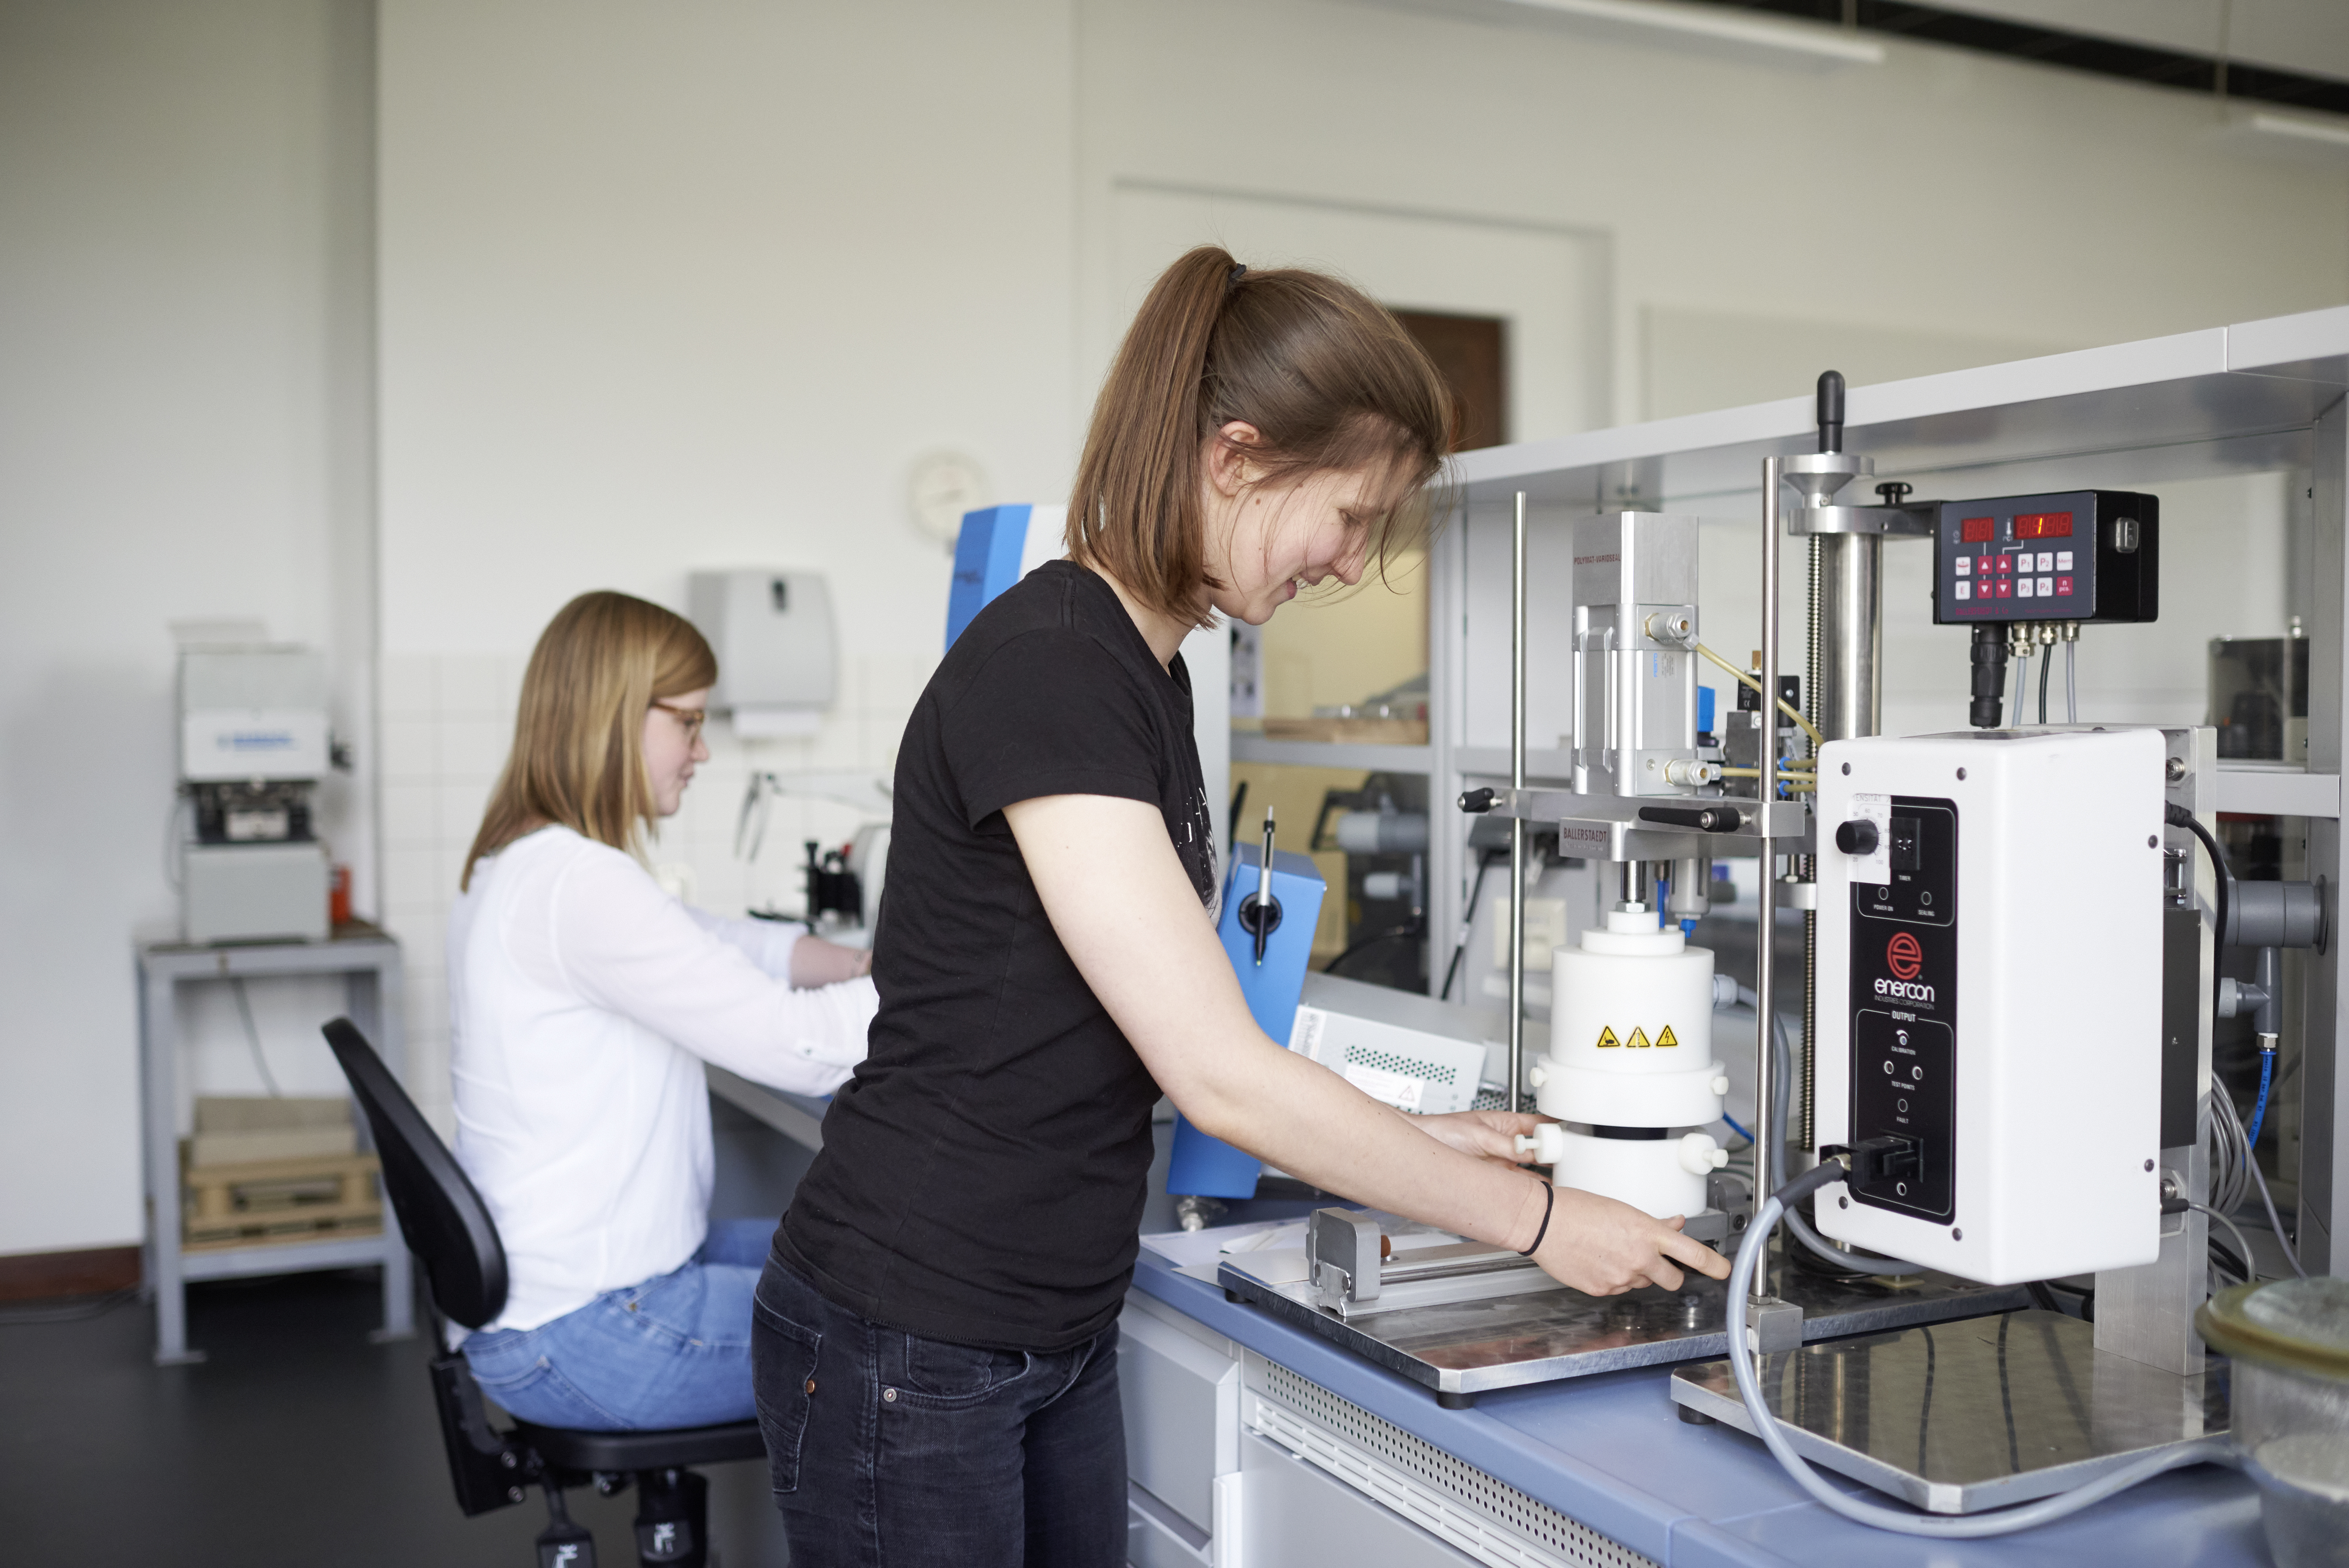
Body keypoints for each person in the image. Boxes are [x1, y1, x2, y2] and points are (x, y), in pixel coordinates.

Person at [754, 249, 1731, 1564]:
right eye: (1347, 514)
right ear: (1234, 457)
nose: (1346, 563)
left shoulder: (1144, 670)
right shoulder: (1053, 665)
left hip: (1047, 1320)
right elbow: (1219, 1076)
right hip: (913, 1328)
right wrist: (1543, 1223)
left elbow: (1111, 1026)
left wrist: (1411, 1129)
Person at [447, 590, 878, 1431]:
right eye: (687, 723)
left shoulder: (525, 864)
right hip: (588, 1326)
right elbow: (801, 1050)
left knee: (867, 1256)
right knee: (906, 1328)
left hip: (565, 1292)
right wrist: (950, 977)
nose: (702, 750)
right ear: (613, 719)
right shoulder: (579, 885)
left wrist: (864, 964)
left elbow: (719, 942)